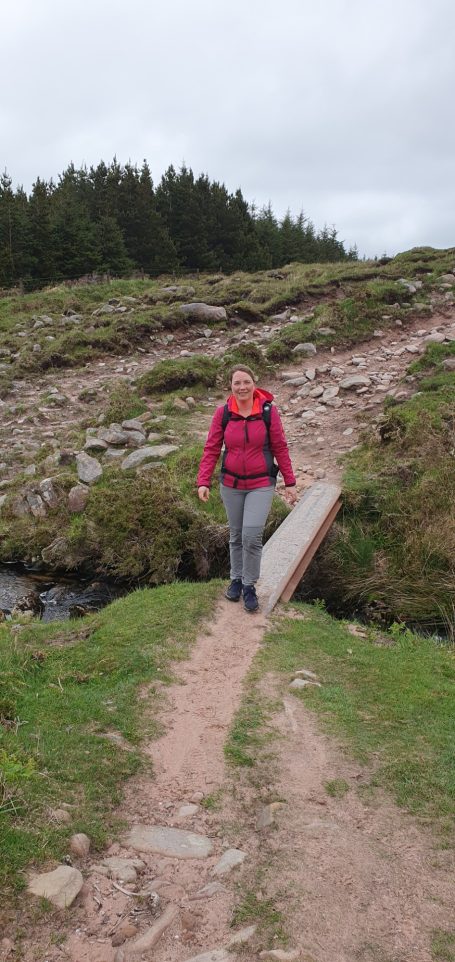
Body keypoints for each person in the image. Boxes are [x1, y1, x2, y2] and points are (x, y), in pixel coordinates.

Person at [197, 365, 297, 612]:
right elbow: (211, 448)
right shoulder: (223, 413)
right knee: (236, 535)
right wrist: (203, 480)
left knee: (251, 537)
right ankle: (236, 579)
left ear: (254, 383)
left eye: (246, 382)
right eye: (237, 383)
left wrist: (290, 481)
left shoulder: (268, 412)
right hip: (230, 484)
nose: (242, 387)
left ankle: (249, 585)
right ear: (230, 386)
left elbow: (280, 446)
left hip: (261, 484)